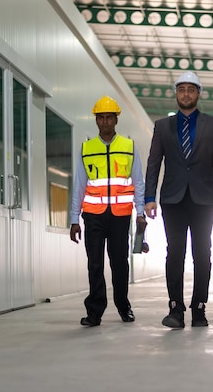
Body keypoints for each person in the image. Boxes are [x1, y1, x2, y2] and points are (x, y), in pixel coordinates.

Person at [144, 71, 213, 329]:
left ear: (198, 94)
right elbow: (153, 162)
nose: (186, 94)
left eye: (191, 90)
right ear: (176, 94)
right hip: (172, 199)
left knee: (202, 253)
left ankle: (199, 308)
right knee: (175, 253)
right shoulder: (162, 126)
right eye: (181, 89)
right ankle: (175, 309)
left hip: (203, 199)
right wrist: (150, 197)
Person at [70, 95, 146, 327]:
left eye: (109, 117)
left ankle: (124, 307)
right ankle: (94, 312)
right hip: (93, 215)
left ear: (116, 119)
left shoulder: (129, 146)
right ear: (96, 120)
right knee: (94, 263)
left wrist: (140, 212)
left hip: (121, 216)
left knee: (119, 263)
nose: (105, 121)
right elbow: (79, 186)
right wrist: (74, 219)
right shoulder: (87, 148)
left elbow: (138, 182)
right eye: (101, 117)